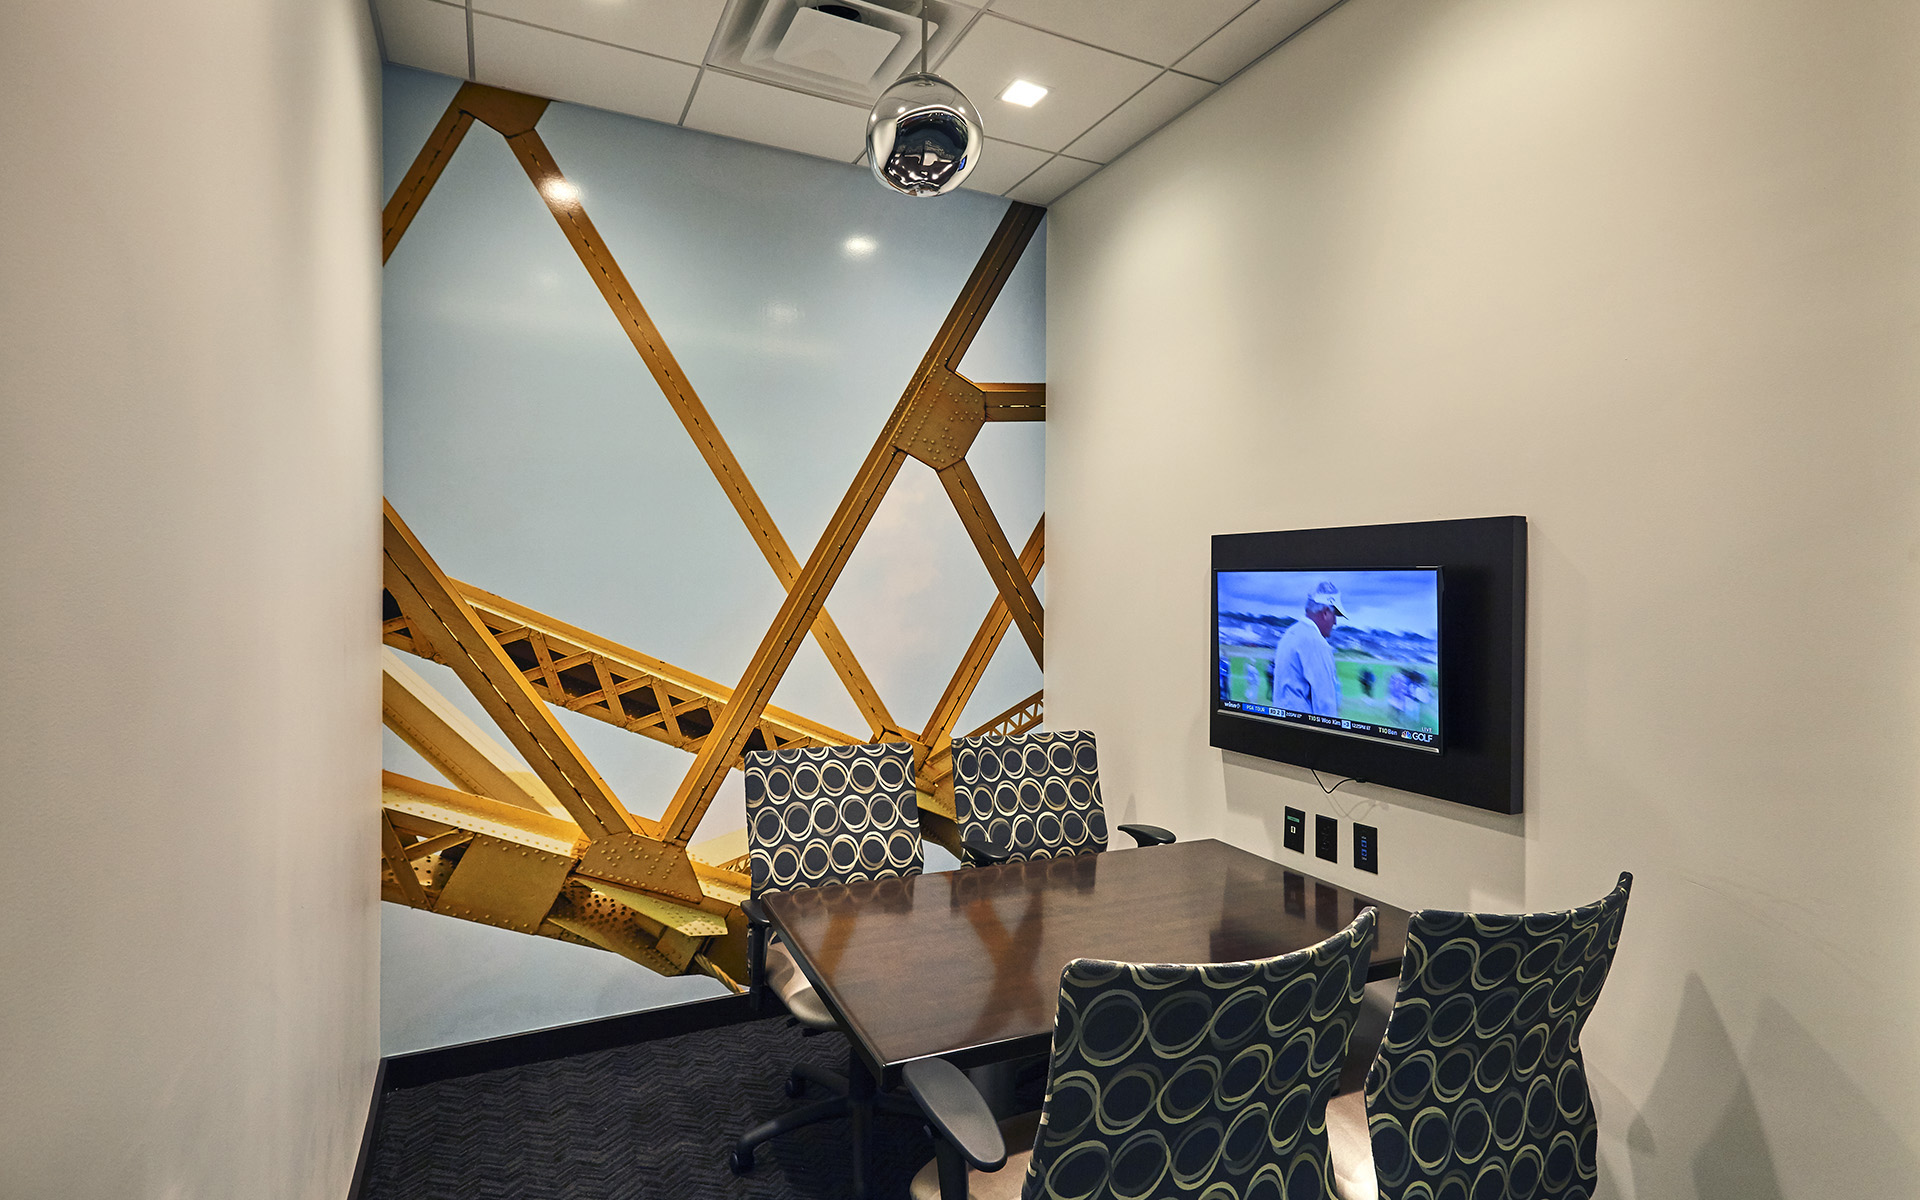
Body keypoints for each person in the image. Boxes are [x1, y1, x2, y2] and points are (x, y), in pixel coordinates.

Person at [1272, 582, 1344, 716]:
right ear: (1325, 613)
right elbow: (1325, 704)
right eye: (1334, 615)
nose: (1335, 622)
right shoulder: (1317, 643)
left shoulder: (1290, 633)